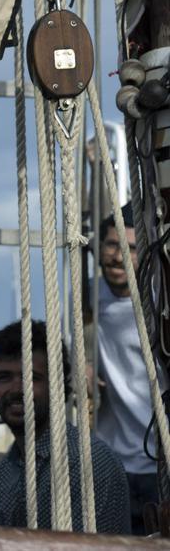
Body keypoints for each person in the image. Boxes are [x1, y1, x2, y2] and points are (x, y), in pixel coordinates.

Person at [0, 320, 131, 534]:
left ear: (58, 387)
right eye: (4, 377)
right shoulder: (5, 473)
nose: (17, 389)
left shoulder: (88, 463)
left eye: (32, 377)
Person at [93, 205, 160, 535]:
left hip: (157, 466)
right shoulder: (87, 297)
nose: (119, 256)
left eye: (131, 248)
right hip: (109, 464)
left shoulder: (158, 305)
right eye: (112, 244)